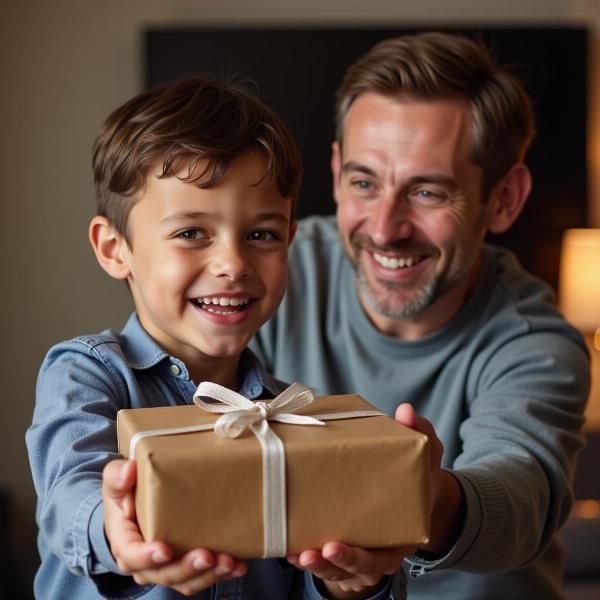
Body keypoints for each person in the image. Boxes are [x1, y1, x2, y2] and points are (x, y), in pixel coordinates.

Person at [26, 77, 409, 599]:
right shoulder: (86, 374)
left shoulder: (289, 415)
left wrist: (351, 583)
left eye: (261, 235)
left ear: (290, 241)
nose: (233, 263)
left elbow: (313, 574)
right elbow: (70, 483)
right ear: (115, 248)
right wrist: (112, 528)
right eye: (191, 233)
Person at [251, 32, 591, 599]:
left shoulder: (535, 341)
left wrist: (422, 498)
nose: (385, 228)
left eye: (428, 192)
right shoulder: (273, 271)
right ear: (336, 173)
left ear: (503, 199)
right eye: (364, 183)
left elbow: (522, 494)